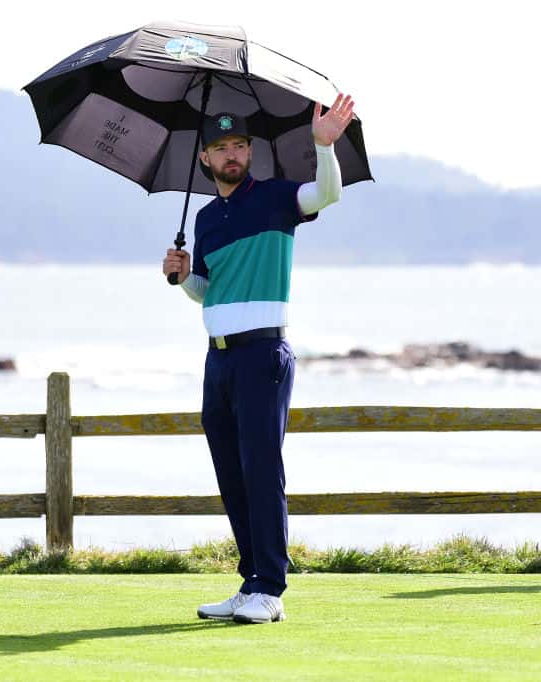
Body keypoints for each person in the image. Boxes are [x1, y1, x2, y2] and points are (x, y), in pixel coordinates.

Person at [162, 94, 355, 624]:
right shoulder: (205, 219)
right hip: (218, 359)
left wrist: (324, 147)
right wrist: (183, 276)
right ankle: (251, 581)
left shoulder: (276, 197)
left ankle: (270, 588)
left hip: (263, 354)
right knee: (231, 472)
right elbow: (207, 291)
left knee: (262, 470)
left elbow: (327, 194)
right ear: (205, 158)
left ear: (250, 151)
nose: (232, 154)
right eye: (222, 147)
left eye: (240, 145)